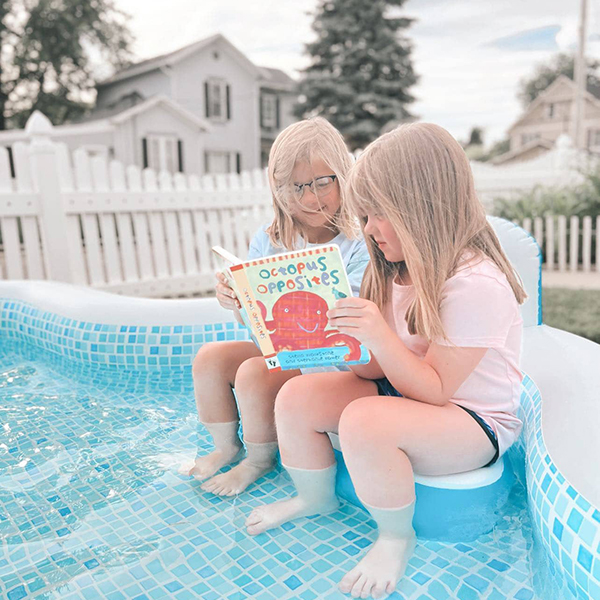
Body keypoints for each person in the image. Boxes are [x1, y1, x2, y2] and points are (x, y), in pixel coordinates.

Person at [245, 123, 526, 599]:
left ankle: (396, 535)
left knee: (365, 421)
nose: (368, 229)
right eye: (365, 215)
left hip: (473, 420)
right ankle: (316, 498)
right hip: (406, 392)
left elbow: (436, 390)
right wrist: (352, 343)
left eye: (377, 215)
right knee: (299, 395)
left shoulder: (474, 283)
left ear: (421, 209)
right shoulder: (393, 269)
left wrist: (377, 333)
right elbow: (376, 372)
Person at [187, 117, 370, 497]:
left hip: (334, 363)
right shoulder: (269, 240)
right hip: (287, 351)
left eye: (323, 182)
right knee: (209, 357)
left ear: (343, 176)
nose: (310, 199)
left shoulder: (358, 244)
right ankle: (226, 446)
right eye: (296, 187)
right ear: (278, 189)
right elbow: (258, 328)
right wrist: (237, 300)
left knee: (255, 372)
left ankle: (258, 460)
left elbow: (348, 327)